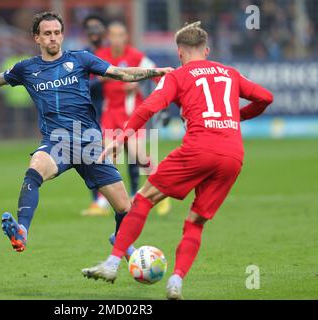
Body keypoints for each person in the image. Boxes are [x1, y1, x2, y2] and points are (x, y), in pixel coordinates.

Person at [0, 12, 173, 254]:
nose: (53, 38)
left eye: (57, 33)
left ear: (62, 35)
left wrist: (155, 72)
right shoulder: (27, 68)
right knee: (34, 170)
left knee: (124, 207)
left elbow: (120, 73)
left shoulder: (81, 59)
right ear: (37, 38)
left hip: (89, 143)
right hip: (57, 142)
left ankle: (121, 242)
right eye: (47, 34)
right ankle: (22, 231)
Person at [82, 21, 273, 300]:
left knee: (143, 199)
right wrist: (235, 117)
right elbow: (265, 97)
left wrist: (121, 139)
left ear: (180, 53)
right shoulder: (229, 73)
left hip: (199, 148)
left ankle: (111, 264)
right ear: (206, 50)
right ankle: (176, 282)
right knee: (195, 222)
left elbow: (149, 107)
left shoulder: (178, 75)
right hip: (233, 156)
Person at [95, 21, 172, 216]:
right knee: (107, 157)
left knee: (139, 156)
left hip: (132, 113)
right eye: (113, 35)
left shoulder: (134, 55)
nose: (117, 39)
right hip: (110, 113)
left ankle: (162, 194)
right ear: (108, 38)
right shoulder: (102, 55)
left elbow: (158, 74)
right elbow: (94, 76)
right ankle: (104, 201)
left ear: (125, 37)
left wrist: (138, 80)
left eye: (120, 35)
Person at [80, 14, 110, 217]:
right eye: (90, 28)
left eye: (97, 28)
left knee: (134, 152)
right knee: (91, 154)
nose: (94, 32)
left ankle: (133, 194)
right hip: (92, 109)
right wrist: (99, 82)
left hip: (113, 109)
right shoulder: (82, 55)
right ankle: (97, 201)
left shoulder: (110, 53)